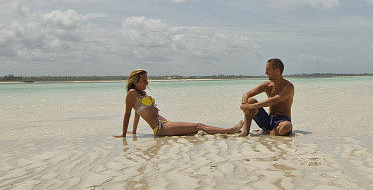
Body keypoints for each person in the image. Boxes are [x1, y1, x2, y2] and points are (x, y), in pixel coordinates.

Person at [114, 69, 242, 137]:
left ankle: (225, 130)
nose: (147, 83)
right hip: (159, 128)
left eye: (147, 80)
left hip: (164, 123)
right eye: (144, 81)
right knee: (198, 125)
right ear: (135, 81)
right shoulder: (132, 93)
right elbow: (128, 114)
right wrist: (124, 134)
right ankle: (230, 130)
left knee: (194, 130)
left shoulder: (142, 93)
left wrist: (135, 132)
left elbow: (138, 114)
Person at [238, 58, 294, 136]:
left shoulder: (288, 86)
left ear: (277, 71)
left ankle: (270, 132)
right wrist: (244, 104)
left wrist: (250, 106)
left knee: (286, 126)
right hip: (267, 120)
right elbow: (247, 94)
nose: (266, 72)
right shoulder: (267, 85)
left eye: (268, 70)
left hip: (282, 120)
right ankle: (245, 132)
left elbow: (274, 100)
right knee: (251, 100)